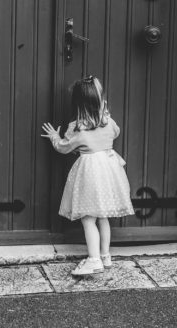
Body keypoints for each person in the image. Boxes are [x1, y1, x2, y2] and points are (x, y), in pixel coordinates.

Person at [41, 75, 134, 275]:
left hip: (90, 175)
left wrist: (54, 137)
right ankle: (105, 256)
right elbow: (116, 132)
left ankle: (93, 260)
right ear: (101, 99)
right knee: (103, 217)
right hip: (109, 171)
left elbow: (64, 147)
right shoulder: (109, 122)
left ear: (78, 103)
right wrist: (105, 114)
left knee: (88, 219)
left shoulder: (77, 128)